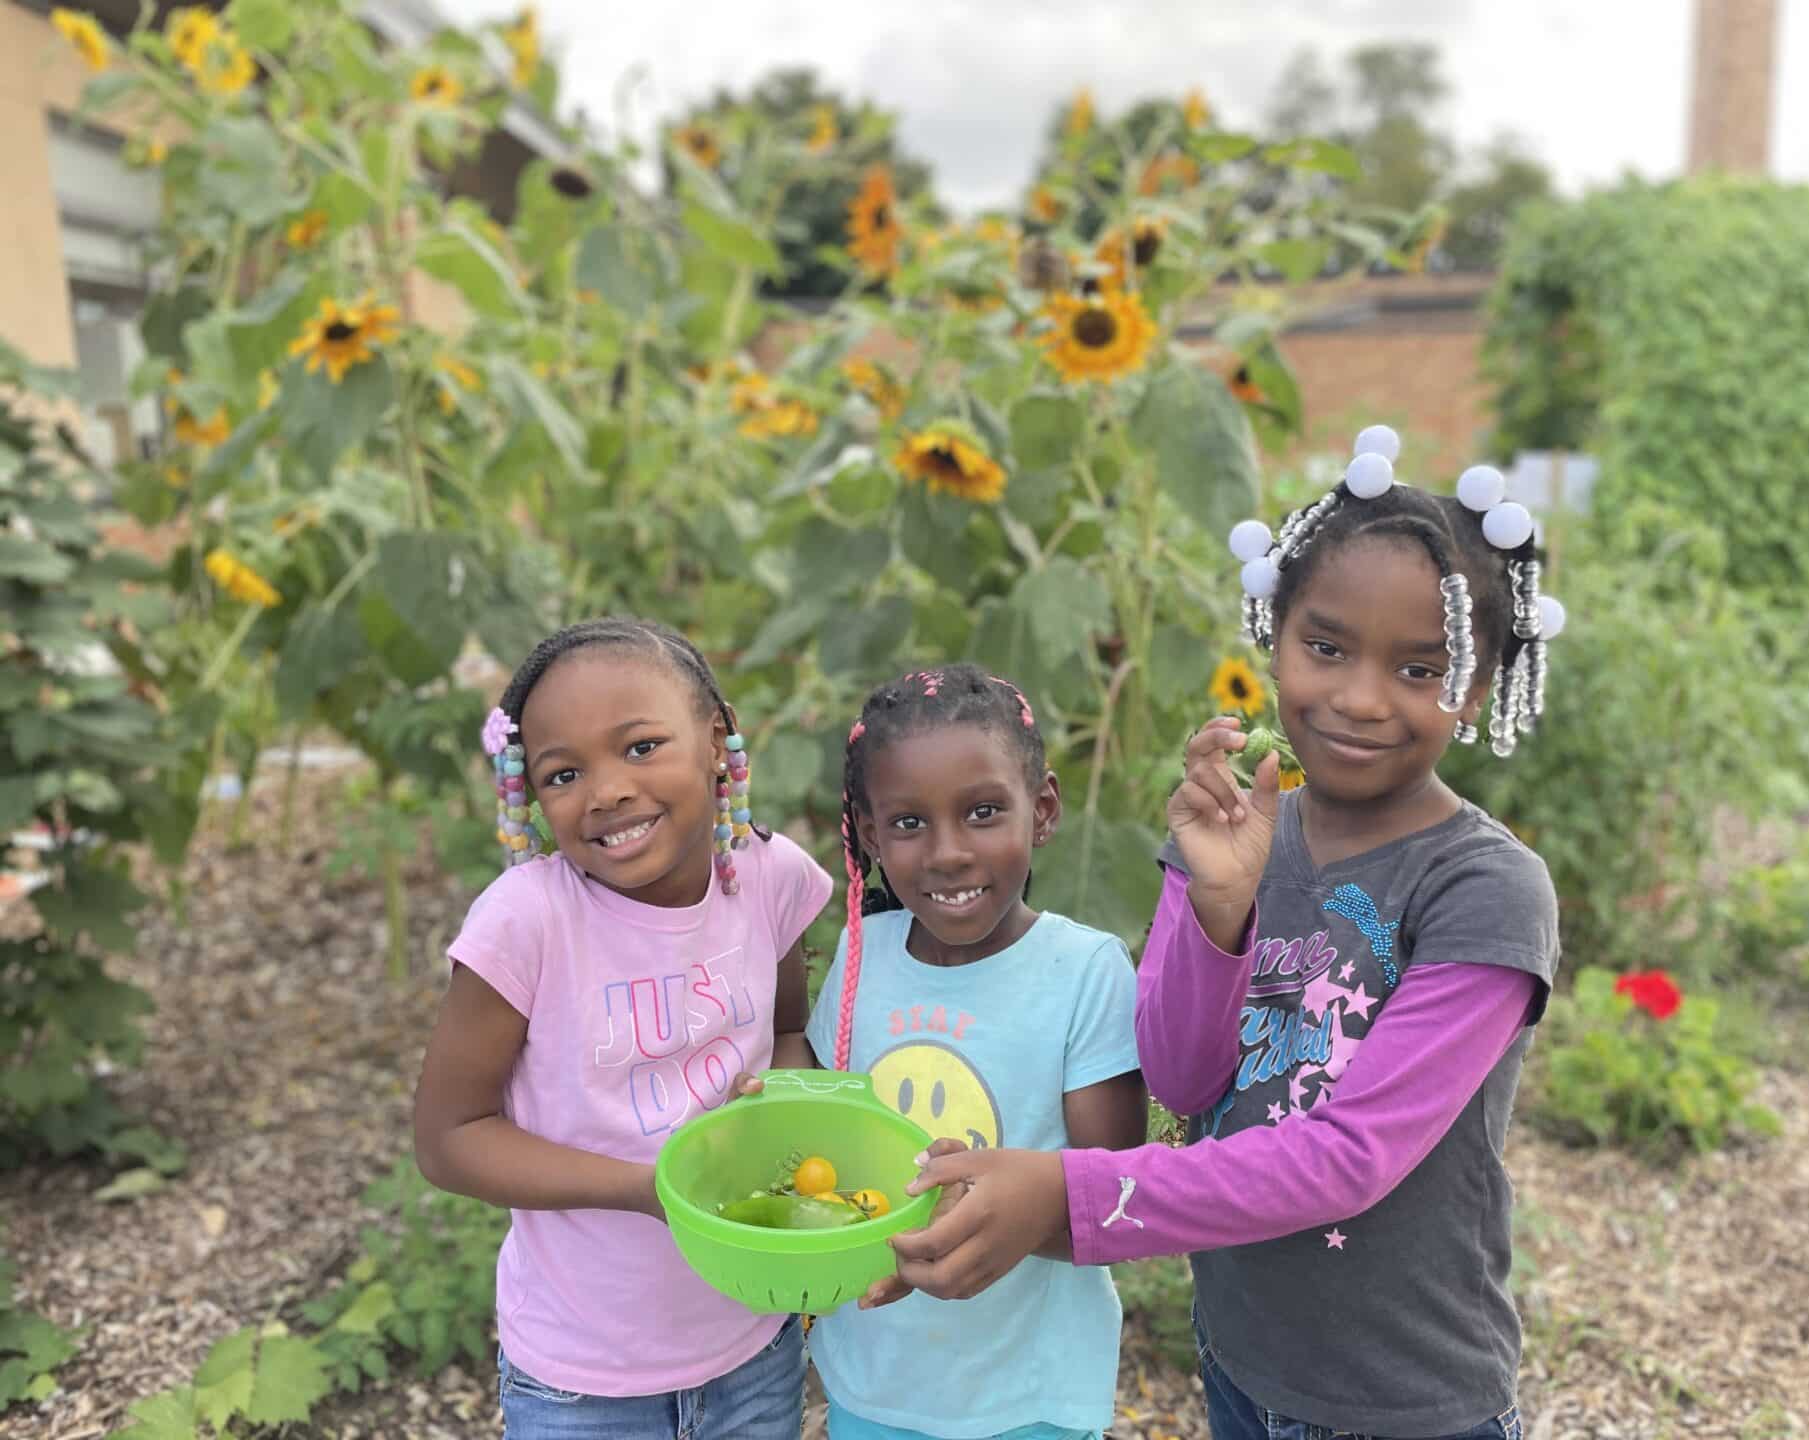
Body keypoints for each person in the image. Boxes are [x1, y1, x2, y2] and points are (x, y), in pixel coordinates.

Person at [888, 431, 1566, 1440]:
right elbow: (1183, 1077)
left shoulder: (1485, 887)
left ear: (1473, 688)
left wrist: (1069, 1195)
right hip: (1243, 1351)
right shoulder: (1235, 834)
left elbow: (1349, 1160)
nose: (1358, 697)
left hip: (1404, 1393)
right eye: (1325, 647)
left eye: (1419, 669)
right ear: (1274, 630)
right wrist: (1217, 908)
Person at [413, 618, 832, 1440]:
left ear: (717, 741)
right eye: (564, 772)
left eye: (640, 747)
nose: (605, 790)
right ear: (529, 794)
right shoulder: (526, 925)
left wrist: (775, 1108)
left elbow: (789, 1034)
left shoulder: (769, 878)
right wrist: (649, 1190)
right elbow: (449, 1137)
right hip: (583, 1379)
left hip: (753, 1341)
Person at [804, 664, 1146, 1440]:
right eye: (909, 824)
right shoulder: (862, 957)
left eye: (984, 812)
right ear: (867, 832)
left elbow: (1120, 1206)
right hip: (874, 1381)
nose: (949, 853)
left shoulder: (1084, 972)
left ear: (1044, 809)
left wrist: (997, 1220)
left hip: (1029, 1397)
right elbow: (825, 1151)